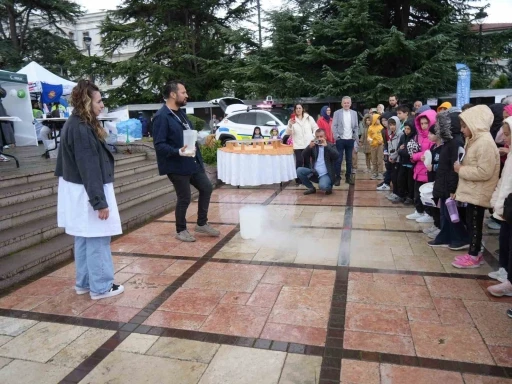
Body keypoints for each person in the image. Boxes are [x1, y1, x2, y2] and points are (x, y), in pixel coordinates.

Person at [55, 79, 124, 300]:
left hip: (78, 190)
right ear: (87, 102)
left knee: (84, 238)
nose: (102, 105)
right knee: (97, 237)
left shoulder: (75, 123)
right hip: (87, 191)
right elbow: (89, 167)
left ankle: (84, 283)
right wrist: (99, 202)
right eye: (99, 101)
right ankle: (101, 286)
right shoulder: (82, 128)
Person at [153, 80, 219, 242]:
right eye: (183, 92)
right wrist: (177, 151)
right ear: (173, 94)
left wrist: (200, 145)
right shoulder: (162, 116)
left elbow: (189, 136)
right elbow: (159, 145)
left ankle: (201, 223)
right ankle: (181, 229)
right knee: (185, 197)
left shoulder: (181, 114)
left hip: (192, 161)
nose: (186, 95)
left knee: (206, 187)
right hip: (175, 165)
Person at [451, 105, 500, 268]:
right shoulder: (475, 140)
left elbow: (484, 172)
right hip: (472, 191)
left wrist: (461, 169)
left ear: (475, 124)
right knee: (471, 223)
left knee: (474, 224)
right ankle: (473, 252)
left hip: (479, 193)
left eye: (465, 126)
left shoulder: (485, 142)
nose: (462, 130)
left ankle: (474, 256)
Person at [428, 111, 469, 247]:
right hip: (443, 182)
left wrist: (452, 188)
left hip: (449, 184)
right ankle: (445, 236)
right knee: (445, 214)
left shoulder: (456, 142)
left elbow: (454, 168)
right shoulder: (449, 142)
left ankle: (460, 238)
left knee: (452, 214)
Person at [487, 117, 512, 285]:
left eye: (508, 134)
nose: (505, 138)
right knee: (504, 239)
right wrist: (497, 201)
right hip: (505, 206)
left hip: (510, 207)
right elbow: (503, 181)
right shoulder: (510, 154)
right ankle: (503, 268)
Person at [406, 109, 437, 223]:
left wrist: (416, 156)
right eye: (422, 123)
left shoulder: (433, 137)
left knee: (427, 194)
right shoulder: (418, 136)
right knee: (417, 193)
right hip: (418, 169)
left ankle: (428, 213)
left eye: (426, 123)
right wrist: (415, 156)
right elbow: (414, 153)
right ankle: (419, 211)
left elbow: (428, 153)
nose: (423, 126)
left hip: (427, 170)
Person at [297, 129, 339, 195]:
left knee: (323, 186)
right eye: (317, 137)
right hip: (314, 172)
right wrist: (309, 147)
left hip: (325, 174)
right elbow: (303, 155)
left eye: (321, 136)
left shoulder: (331, 145)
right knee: (299, 170)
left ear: (325, 137)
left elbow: (336, 156)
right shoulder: (314, 146)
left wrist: (326, 146)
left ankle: (329, 186)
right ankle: (311, 188)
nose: (319, 138)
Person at [286, 104, 319, 184]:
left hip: (308, 143)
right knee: (299, 161)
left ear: (302, 109)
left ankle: (307, 178)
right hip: (298, 144)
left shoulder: (308, 118)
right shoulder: (292, 120)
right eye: (296, 108)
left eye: (299, 108)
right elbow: (288, 132)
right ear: (295, 110)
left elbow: (315, 127)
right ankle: (298, 178)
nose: (298, 110)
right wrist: (290, 125)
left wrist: (313, 137)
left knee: (308, 162)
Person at [332, 96, 359, 185]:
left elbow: (356, 126)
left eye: (348, 103)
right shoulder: (337, 113)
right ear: (342, 104)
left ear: (350, 104)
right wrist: (337, 136)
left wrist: (355, 137)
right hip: (340, 139)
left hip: (350, 139)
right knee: (339, 159)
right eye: (345, 103)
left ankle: (348, 177)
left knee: (349, 160)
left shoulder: (354, 113)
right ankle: (337, 178)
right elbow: (334, 126)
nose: (346, 104)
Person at [421, 125, 443, 234]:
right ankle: (435, 224)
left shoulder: (443, 148)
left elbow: (445, 165)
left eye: (431, 133)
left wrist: (434, 167)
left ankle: (440, 227)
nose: (428, 135)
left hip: (438, 179)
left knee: (438, 204)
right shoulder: (433, 147)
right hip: (431, 178)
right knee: (432, 201)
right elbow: (430, 158)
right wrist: (424, 158)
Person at [397, 119, 416, 205]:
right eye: (405, 128)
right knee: (401, 179)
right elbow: (399, 149)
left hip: (411, 164)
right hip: (403, 162)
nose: (406, 130)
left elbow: (411, 152)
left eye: (408, 129)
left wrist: (402, 151)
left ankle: (410, 196)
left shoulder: (414, 137)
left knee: (410, 182)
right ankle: (402, 195)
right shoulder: (403, 136)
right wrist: (401, 150)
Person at [385, 116, 403, 202]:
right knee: (393, 176)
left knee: (397, 178)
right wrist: (389, 156)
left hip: (397, 159)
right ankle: (394, 192)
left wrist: (393, 157)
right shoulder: (391, 134)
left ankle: (398, 194)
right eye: (390, 125)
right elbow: (390, 146)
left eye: (394, 124)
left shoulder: (400, 134)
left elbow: (399, 148)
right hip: (392, 158)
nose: (392, 126)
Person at [367, 114, 384, 180]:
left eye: (379, 119)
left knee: (380, 159)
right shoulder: (370, 127)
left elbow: (384, 136)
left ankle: (380, 173)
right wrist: (369, 140)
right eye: (377, 119)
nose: (378, 120)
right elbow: (368, 136)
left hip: (380, 145)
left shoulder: (381, 127)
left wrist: (382, 141)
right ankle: (374, 172)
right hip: (373, 145)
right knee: (373, 159)